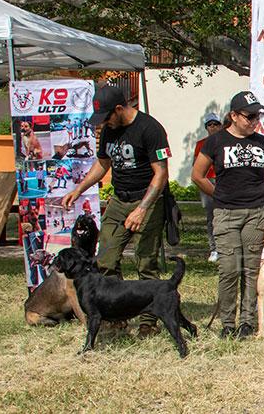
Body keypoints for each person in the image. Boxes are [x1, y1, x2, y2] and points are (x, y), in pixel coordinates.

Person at [61, 86, 171, 338]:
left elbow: (161, 173)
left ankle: (148, 321)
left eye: (107, 117)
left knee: (146, 262)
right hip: (119, 200)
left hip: (147, 200)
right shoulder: (110, 130)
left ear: (119, 109)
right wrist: (79, 190)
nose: (104, 124)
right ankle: (117, 314)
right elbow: (103, 164)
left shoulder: (150, 128)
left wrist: (142, 209)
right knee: (105, 259)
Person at [192, 91, 264, 339]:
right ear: (233, 116)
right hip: (226, 213)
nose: (255, 121)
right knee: (229, 269)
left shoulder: (262, 142)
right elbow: (197, 175)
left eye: (258, 116)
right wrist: (218, 194)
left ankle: (247, 322)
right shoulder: (216, 141)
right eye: (249, 116)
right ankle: (227, 323)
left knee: (250, 269)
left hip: (257, 212)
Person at [194, 113, 223, 262]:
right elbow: (196, 166)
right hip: (207, 180)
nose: (213, 127)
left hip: (223, 180)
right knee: (211, 215)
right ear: (206, 128)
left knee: (225, 214)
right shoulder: (201, 144)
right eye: (210, 125)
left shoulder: (226, 141)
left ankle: (224, 247)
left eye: (216, 124)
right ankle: (214, 249)